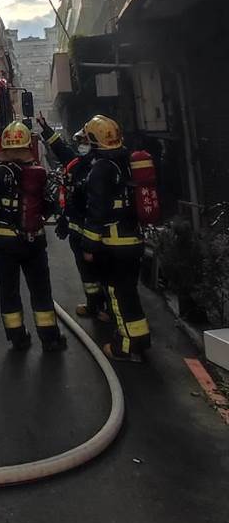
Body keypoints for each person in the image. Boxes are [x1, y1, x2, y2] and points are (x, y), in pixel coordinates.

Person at [0, 121, 67, 353]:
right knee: (41, 291)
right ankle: (51, 339)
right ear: (28, 145)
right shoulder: (39, 173)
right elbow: (50, 204)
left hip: (5, 244)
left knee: (9, 291)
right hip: (34, 242)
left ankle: (18, 338)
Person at [81, 115, 151, 363]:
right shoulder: (127, 160)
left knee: (118, 294)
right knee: (129, 292)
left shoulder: (101, 169)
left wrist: (89, 245)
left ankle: (126, 346)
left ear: (94, 140)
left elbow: (97, 209)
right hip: (133, 238)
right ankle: (140, 339)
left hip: (114, 243)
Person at [36, 113, 109, 323]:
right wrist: (45, 127)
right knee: (86, 274)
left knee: (102, 272)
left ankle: (107, 309)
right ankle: (94, 304)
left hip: (97, 234)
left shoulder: (101, 168)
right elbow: (59, 148)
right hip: (78, 230)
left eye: (85, 142)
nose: (81, 146)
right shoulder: (76, 162)